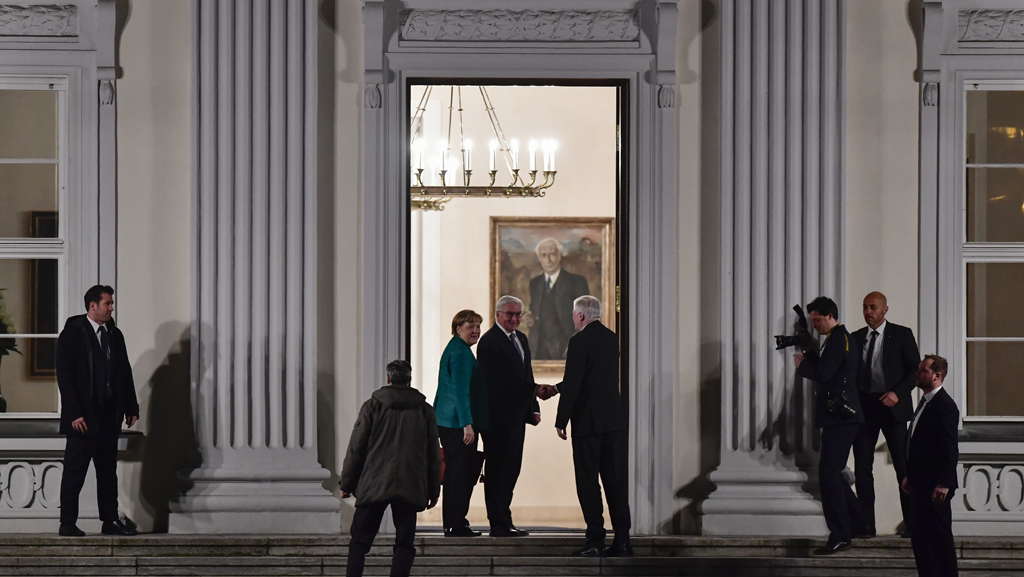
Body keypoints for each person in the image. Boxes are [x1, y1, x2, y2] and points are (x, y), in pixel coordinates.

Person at [545, 296, 632, 557]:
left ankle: (595, 540)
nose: (573, 319)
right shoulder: (611, 338)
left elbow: (575, 382)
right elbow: (592, 377)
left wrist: (561, 421)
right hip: (614, 422)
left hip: (588, 423)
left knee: (588, 481)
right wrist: (557, 388)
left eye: (574, 314)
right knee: (616, 481)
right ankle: (623, 540)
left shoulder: (579, 341)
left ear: (581, 315)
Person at [339, 360, 442, 577]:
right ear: (409, 380)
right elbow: (433, 453)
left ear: (388, 379)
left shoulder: (372, 406)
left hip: (374, 482)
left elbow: (356, 447)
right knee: (404, 543)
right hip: (411, 483)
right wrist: (433, 489)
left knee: (359, 541)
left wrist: (347, 483)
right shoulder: (425, 410)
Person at [56, 285, 139, 537]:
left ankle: (110, 521)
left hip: (108, 414)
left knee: (107, 472)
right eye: (108, 303)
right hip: (82, 417)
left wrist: (130, 406)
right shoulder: (73, 333)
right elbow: (65, 376)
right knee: (74, 471)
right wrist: (74, 413)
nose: (111, 308)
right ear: (93, 306)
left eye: (111, 303)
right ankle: (67, 523)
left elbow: (124, 371)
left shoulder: (115, 334)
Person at [793, 296, 865, 555]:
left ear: (830, 316)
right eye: (812, 321)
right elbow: (830, 370)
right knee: (833, 473)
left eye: (817, 320)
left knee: (828, 475)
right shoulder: (840, 338)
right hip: (843, 416)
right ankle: (859, 523)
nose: (815, 326)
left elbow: (824, 374)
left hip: (841, 417)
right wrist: (811, 351)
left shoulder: (837, 339)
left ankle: (840, 534)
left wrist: (803, 366)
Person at [851, 291, 920, 538]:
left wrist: (897, 393)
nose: (868, 312)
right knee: (862, 469)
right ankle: (866, 525)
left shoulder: (901, 334)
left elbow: (915, 370)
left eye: (873, 307)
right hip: (865, 407)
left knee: (903, 467)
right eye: (865, 307)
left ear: (885, 310)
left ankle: (912, 524)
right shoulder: (856, 338)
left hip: (893, 406)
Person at [476, 295, 541, 537]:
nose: (514, 319)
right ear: (498, 315)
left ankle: (506, 518)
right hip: (497, 418)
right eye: (509, 314)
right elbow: (497, 384)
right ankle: (498, 523)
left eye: (518, 315)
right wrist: (533, 391)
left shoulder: (521, 338)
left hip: (517, 416)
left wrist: (533, 406)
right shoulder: (489, 342)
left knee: (512, 468)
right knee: (497, 470)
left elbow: (527, 375)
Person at [433, 309, 489, 537]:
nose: (475, 331)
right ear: (458, 328)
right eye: (470, 326)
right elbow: (460, 391)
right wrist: (468, 424)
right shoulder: (462, 353)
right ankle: (456, 524)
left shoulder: (455, 347)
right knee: (460, 475)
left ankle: (454, 523)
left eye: (477, 326)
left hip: (448, 421)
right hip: (458, 424)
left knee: (457, 473)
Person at [903, 355, 959, 577]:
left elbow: (948, 447)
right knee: (922, 541)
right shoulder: (926, 402)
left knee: (939, 540)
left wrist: (945, 482)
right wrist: (911, 475)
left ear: (937, 376)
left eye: (923, 370)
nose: (918, 373)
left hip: (936, 487)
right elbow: (920, 443)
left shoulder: (944, 405)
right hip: (921, 483)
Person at [525, 238, 589, 360]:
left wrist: (576, 344)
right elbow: (535, 312)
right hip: (539, 347)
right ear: (539, 258)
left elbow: (587, 319)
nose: (548, 260)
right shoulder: (535, 283)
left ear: (560, 256)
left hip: (566, 345)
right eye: (543, 255)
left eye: (552, 254)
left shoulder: (577, 282)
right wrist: (531, 320)